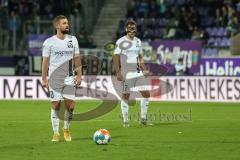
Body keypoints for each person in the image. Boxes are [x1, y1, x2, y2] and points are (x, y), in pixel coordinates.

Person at [41, 15, 82, 142]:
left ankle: (66, 129)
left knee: (70, 106)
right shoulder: (49, 42)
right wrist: (44, 78)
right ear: (57, 26)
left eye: (67, 23)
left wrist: (80, 75)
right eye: (64, 23)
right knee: (56, 105)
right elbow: (45, 62)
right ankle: (56, 133)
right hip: (54, 78)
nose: (67, 25)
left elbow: (77, 58)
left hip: (70, 77)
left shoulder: (73, 40)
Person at [113, 20, 151, 127]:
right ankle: (125, 120)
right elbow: (115, 56)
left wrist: (144, 68)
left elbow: (140, 57)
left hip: (137, 72)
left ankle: (143, 118)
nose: (132, 30)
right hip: (126, 73)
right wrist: (118, 72)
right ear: (126, 29)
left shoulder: (138, 41)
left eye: (134, 28)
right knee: (126, 96)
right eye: (130, 28)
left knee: (146, 94)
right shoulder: (121, 41)